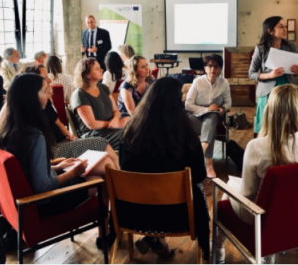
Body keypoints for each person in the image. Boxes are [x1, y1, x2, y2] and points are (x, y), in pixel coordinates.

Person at [0, 73, 117, 249]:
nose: (49, 95)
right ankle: (106, 232)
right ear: (31, 98)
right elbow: (44, 186)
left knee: (104, 165)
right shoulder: (34, 135)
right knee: (101, 178)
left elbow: (25, 168)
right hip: (45, 202)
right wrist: (74, 172)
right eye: (45, 91)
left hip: (20, 203)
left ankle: (110, 226)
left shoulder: (6, 129)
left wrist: (57, 166)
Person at [215, 84, 298, 263]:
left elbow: (248, 194)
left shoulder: (257, 147)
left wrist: (231, 185)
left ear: (270, 110)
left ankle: (218, 249)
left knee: (228, 188)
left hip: (267, 220)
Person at [119, 77, 210, 260]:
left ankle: (155, 240)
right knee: (196, 188)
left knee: (150, 189)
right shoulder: (186, 136)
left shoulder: (130, 132)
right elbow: (199, 175)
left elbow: (124, 167)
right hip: (179, 216)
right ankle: (163, 241)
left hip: (134, 213)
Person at [21, 65, 119, 161]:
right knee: (101, 142)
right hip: (53, 149)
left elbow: (58, 123)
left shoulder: (46, 101)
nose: (50, 80)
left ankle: (120, 175)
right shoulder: (29, 109)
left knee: (105, 162)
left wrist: (69, 135)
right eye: (45, 77)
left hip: (62, 143)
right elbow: (91, 125)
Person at [249, 16, 298, 135]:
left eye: (285, 26)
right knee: (266, 129)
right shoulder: (260, 49)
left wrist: (297, 71)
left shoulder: (290, 47)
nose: (285, 29)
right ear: (270, 31)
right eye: (281, 26)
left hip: (286, 90)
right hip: (267, 93)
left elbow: (294, 72)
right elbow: (251, 74)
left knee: (286, 128)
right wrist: (269, 75)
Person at [185, 54, 231, 179]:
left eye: (215, 66)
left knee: (212, 116)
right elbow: (188, 104)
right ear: (205, 68)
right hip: (194, 115)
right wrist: (206, 109)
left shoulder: (224, 83)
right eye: (209, 66)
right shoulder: (197, 82)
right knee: (211, 128)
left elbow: (228, 101)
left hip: (212, 116)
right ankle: (208, 163)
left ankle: (202, 154)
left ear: (220, 68)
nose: (212, 69)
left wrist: (223, 108)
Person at [71, 58, 127, 148]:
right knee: (131, 135)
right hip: (93, 135)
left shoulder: (103, 87)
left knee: (138, 130)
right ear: (87, 74)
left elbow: (115, 110)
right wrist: (112, 124)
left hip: (110, 129)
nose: (101, 70)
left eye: (100, 68)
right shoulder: (79, 93)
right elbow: (91, 124)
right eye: (97, 69)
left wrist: (116, 120)